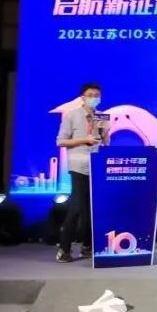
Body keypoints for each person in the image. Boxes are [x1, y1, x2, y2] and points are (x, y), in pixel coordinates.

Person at [55, 83, 108, 263]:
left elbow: (105, 143)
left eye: (97, 95)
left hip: (96, 167)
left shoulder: (101, 116)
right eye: (90, 95)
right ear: (83, 97)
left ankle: (87, 246)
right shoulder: (71, 115)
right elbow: (61, 141)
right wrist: (84, 139)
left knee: (91, 209)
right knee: (77, 208)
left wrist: (106, 133)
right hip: (78, 166)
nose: (94, 98)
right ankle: (64, 249)